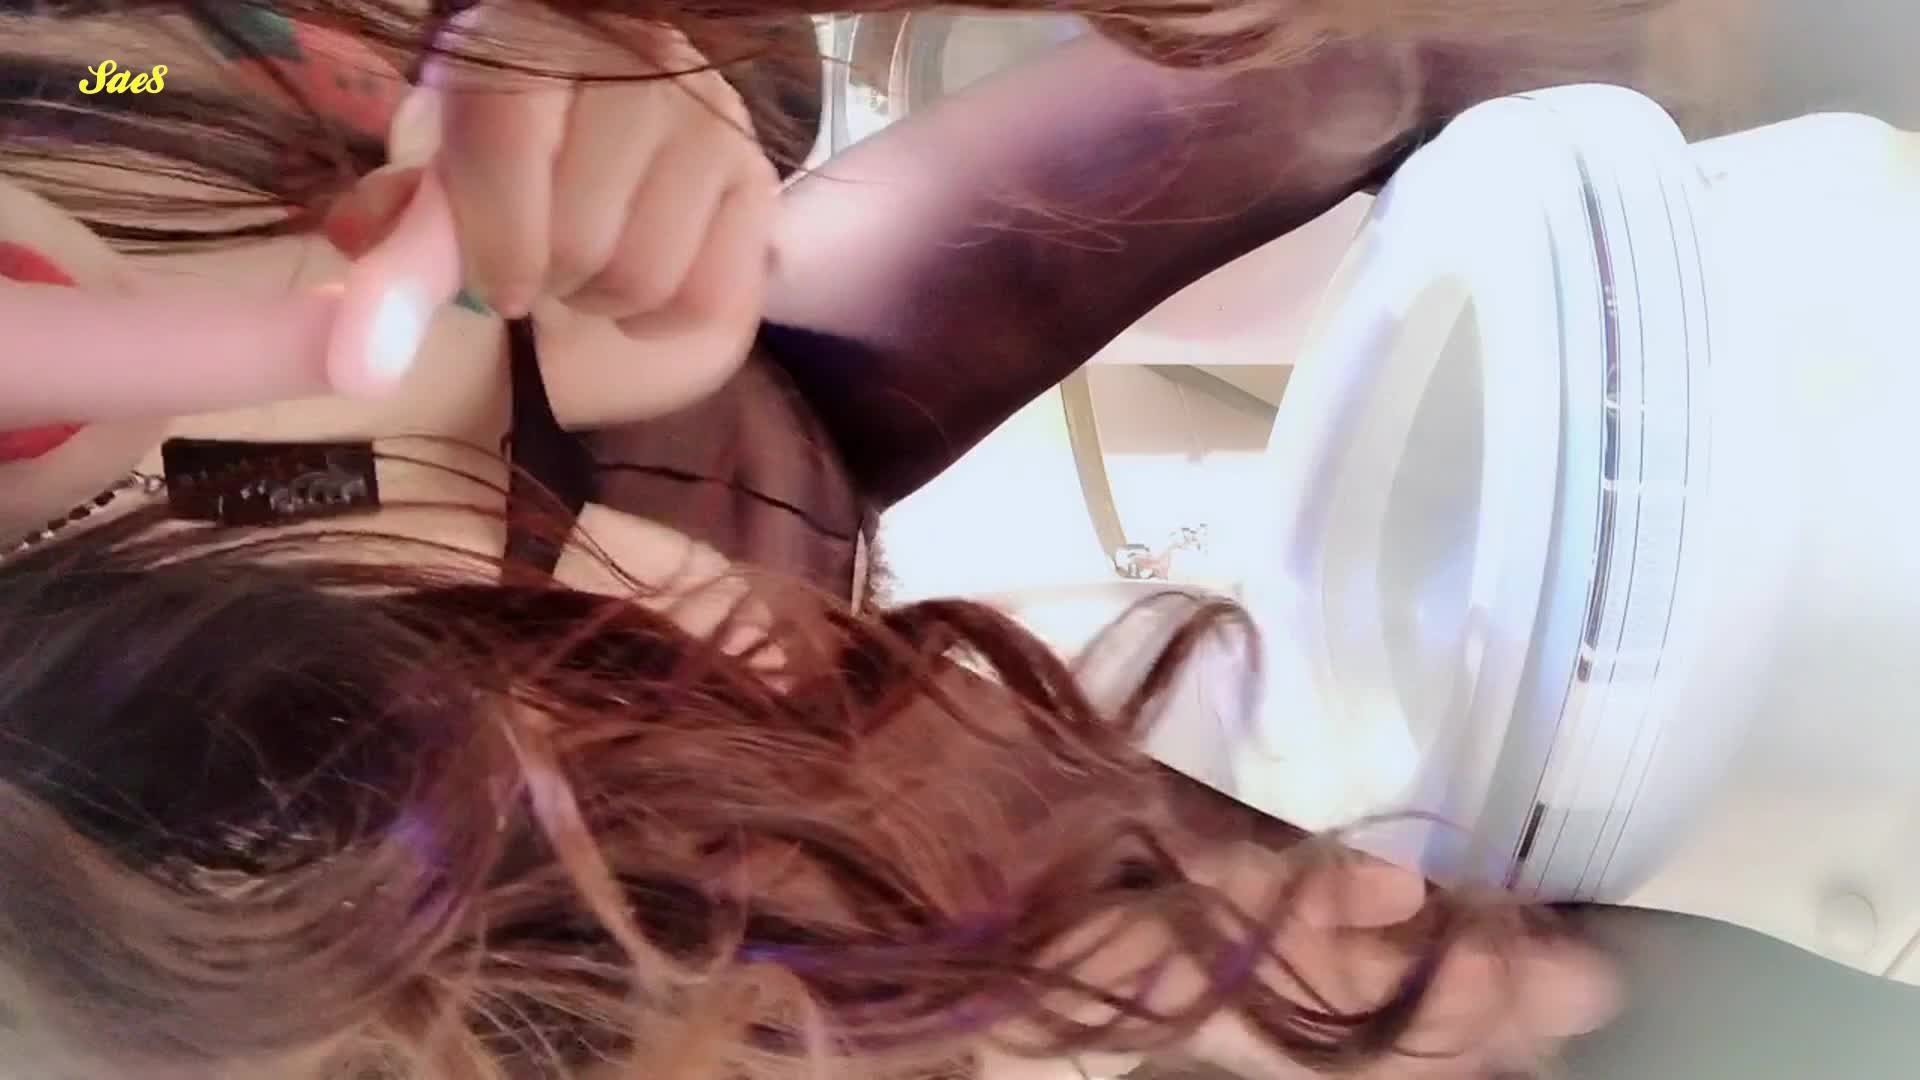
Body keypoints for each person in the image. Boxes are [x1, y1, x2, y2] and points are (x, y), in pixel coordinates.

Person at [0, 0, 1742, 1075]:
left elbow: (185, 72)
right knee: (1389, 961)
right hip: (699, 769)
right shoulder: (110, 856)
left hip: (764, 366)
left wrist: (587, 56)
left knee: (1352, 58)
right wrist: (1025, 978)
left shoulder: (95, 71)